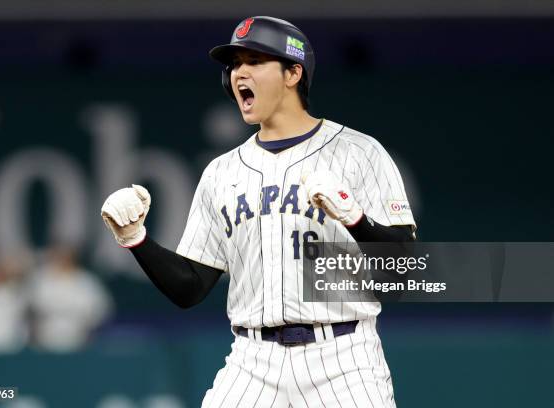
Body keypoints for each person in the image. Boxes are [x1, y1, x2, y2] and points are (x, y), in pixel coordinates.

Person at [101, 16, 416, 408]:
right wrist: (136, 240)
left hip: (343, 356)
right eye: (234, 65)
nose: (239, 73)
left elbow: (404, 270)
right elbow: (191, 287)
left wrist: (355, 218)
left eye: (254, 61)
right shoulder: (222, 172)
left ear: (293, 73)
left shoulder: (359, 152)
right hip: (252, 361)